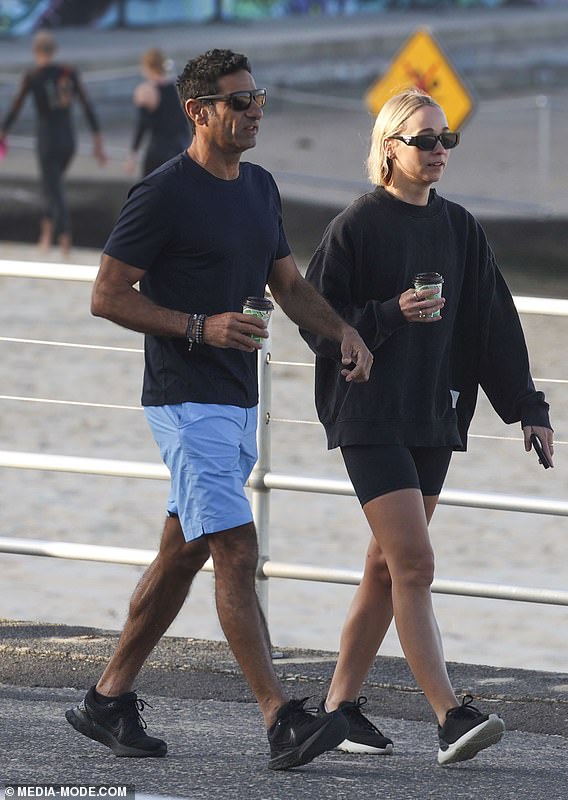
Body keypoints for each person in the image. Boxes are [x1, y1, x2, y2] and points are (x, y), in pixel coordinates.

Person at [63, 47, 373, 771]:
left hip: (236, 398)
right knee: (236, 548)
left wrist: (345, 332)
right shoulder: (162, 193)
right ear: (199, 112)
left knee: (186, 552)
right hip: (184, 399)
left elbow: (290, 288)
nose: (255, 109)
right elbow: (107, 295)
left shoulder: (260, 187)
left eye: (258, 96)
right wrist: (201, 326)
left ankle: (107, 698)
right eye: (239, 101)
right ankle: (280, 721)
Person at [300, 89, 554, 765]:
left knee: (385, 567)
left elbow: (493, 323)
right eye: (424, 140)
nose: (439, 151)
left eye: (447, 140)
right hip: (369, 412)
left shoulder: (461, 228)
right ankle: (449, 714)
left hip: (434, 413)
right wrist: (386, 314)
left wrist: (528, 406)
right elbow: (315, 317)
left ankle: (338, 711)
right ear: (390, 148)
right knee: (414, 563)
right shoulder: (357, 225)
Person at [0, 30, 106, 257]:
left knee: (53, 188)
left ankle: (62, 236)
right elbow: (87, 106)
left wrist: (3, 131)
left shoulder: (32, 76)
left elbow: (16, 107)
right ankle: (46, 235)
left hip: (47, 138)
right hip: (68, 139)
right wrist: (97, 139)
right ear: (54, 50)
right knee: (53, 184)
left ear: (35, 51)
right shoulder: (68, 72)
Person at [125, 47, 190, 178]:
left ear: (147, 67)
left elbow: (142, 126)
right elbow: (184, 122)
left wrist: (133, 154)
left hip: (157, 149)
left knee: (150, 192)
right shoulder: (179, 89)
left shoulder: (146, 91)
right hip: (179, 148)